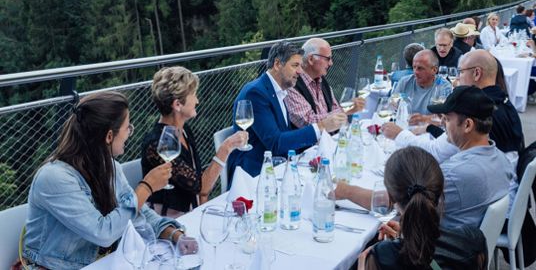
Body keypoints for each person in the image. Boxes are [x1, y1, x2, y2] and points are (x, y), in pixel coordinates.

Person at [23, 91, 190, 269]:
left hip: (106, 262)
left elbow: (137, 211)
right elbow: (103, 233)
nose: (130, 133)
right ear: (109, 136)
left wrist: (173, 234)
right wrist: (146, 187)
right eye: (128, 128)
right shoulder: (54, 178)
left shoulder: (110, 167)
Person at [336, 85, 515, 230]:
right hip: (469, 249)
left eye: (446, 119)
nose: (443, 125)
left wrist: (345, 191)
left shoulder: (453, 174)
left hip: (439, 256)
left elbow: (390, 202)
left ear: (467, 125)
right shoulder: (501, 160)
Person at [227, 41, 346, 177]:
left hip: (279, 166)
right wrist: (321, 126)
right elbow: (276, 143)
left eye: (301, 66)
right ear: (277, 64)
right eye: (295, 65)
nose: (300, 71)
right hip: (254, 174)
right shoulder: (255, 93)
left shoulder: (280, 90)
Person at [141, 66, 248, 217]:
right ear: (177, 104)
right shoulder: (157, 144)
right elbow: (201, 186)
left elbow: (200, 190)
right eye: (193, 95)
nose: (197, 100)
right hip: (168, 222)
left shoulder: (184, 130)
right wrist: (226, 147)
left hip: (192, 212)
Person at [383, 50, 524, 163]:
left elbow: (435, 152)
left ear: (476, 73)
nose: (457, 79)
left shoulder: (475, 108)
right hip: (503, 185)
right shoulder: (504, 102)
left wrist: (399, 134)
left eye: (461, 71)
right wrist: (429, 127)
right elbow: (455, 142)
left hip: (484, 188)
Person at [358, 147, 487, 270]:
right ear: (440, 191)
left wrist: (364, 263)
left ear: (391, 197)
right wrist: (408, 238)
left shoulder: (383, 256)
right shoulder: (472, 241)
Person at [286, 38, 363, 128]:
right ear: (311, 59)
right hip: (311, 142)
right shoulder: (292, 85)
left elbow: (335, 110)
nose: (331, 63)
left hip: (330, 139)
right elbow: (308, 122)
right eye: (328, 59)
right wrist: (346, 109)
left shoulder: (322, 82)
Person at [395, 50, 439, 116]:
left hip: (429, 126)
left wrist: (424, 120)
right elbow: (391, 105)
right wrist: (394, 104)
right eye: (414, 67)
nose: (415, 72)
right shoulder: (404, 82)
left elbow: (446, 118)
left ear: (434, 70)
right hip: (405, 124)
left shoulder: (443, 86)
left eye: (420, 68)